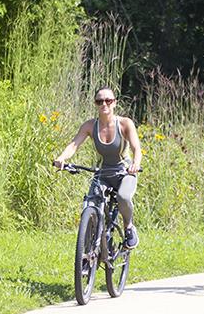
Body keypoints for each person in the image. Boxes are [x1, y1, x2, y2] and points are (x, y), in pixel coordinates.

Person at [53, 86, 142, 248]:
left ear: (114, 103)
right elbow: (74, 145)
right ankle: (89, 248)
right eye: (100, 101)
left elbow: (136, 147)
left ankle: (129, 227)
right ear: (95, 104)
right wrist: (61, 158)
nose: (104, 104)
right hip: (102, 173)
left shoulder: (124, 123)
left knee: (123, 197)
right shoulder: (89, 126)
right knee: (90, 204)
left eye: (108, 100)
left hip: (124, 172)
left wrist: (135, 163)